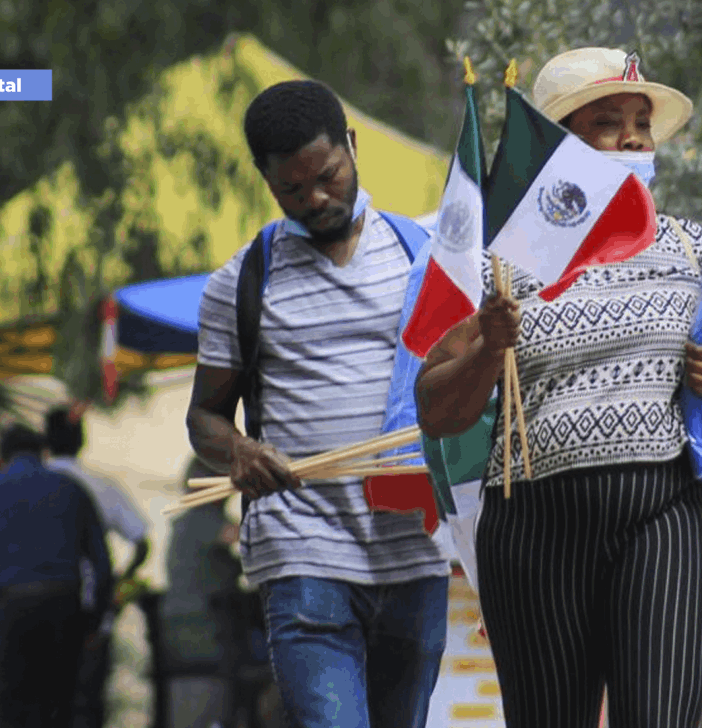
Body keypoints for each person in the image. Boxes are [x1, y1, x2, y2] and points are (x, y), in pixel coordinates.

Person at [415, 47, 702, 728]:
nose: (634, 136)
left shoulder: (697, 252)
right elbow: (435, 410)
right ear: (558, 147)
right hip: (531, 530)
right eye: (608, 122)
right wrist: (486, 350)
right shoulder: (499, 263)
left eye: (640, 121)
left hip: (664, 515)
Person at [185, 79, 450, 728]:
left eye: (328, 175)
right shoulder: (241, 282)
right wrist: (238, 451)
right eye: (292, 190)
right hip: (302, 548)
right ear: (266, 181)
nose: (316, 198)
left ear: (352, 146)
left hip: (415, 548)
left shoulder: (425, 257)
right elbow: (204, 416)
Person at [0, 423, 114, 728]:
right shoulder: (72, 489)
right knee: (63, 702)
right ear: (43, 453)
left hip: (13, 607)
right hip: (64, 606)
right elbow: (101, 564)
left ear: (1, 456)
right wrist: (95, 618)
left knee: (12, 704)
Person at [42, 404, 151, 728]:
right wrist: (121, 582)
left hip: (41, 607)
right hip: (92, 609)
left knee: (46, 702)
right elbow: (142, 542)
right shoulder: (102, 485)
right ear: (82, 440)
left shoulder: (37, 483)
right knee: (87, 703)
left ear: (46, 441)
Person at [159, 455, 245, 728]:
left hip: (187, 631)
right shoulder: (202, 519)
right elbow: (241, 534)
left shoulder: (190, 521)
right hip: (203, 632)